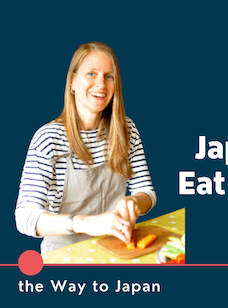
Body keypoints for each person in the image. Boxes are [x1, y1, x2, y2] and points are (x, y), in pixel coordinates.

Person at [15, 42, 157, 253]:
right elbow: (25, 217)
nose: (101, 83)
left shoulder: (127, 129)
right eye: (91, 74)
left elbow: (147, 192)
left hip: (117, 247)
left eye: (109, 76)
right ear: (72, 82)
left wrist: (134, 201)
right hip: (64, 255)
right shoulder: (48, 139)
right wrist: (85, 223)